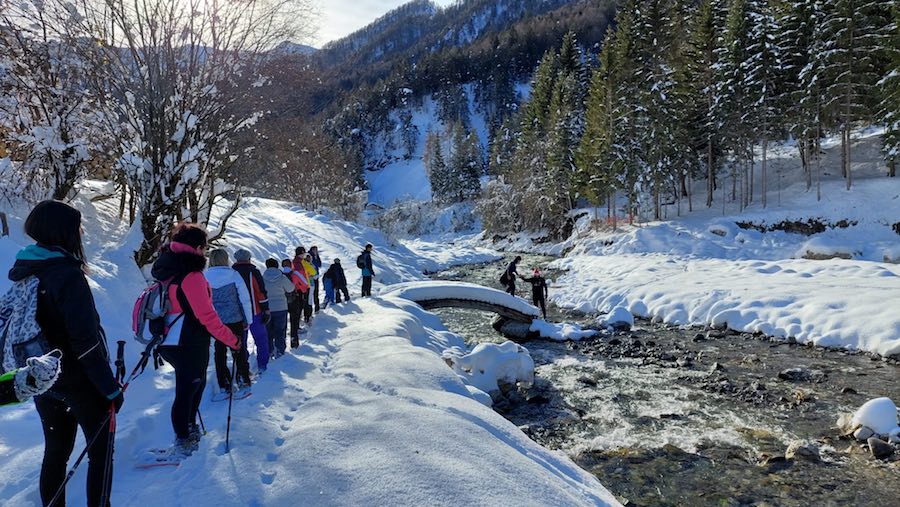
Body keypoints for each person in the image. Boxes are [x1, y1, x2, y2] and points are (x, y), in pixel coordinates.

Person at [10, 200, 123, 506]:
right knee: (100, 455)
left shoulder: (26, 268)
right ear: (66, 232)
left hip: (44, 379)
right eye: (78, 227)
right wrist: (110, 389)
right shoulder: (67, 274)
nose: (82, 233)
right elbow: (85, 341)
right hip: (80, 382)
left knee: (56, 454)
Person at [151, 223, 240, 458]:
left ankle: (188, 434)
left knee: (191, 387)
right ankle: (184, 441)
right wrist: (232, 340)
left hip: (168, 339)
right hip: (188, 341)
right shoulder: (191, 275)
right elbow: (206, 315)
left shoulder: (168, 268)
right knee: (187, 391)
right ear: (198, 247)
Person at [205, 249, 253, 398]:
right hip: (235, 319)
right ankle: (243, 378)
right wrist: (248, 319)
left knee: (219, 352)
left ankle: (224, 383)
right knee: (238, 349)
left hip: (215, 322)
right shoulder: (233, 275)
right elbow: (244, 298)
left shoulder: (204, 277)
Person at [232, 249, 271, 373]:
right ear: (249, 258)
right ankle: (263, 365)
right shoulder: (253, 272)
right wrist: (266, 309)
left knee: (241, 341)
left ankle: (243, 368)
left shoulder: (232, 273)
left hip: (237, 314)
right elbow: (260, 292)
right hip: (255, 311)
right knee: (261, 338)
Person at [262, 258, 295, 358]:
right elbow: (290, 288)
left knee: (268, 331)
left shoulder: (262, 278)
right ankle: (280, 350)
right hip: (281, 307)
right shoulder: (282, 277)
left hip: (267, 308)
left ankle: (269, 350)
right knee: (280, 330)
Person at [281, 259, 306, 348]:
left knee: (282, 323)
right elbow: (305, 284)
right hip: (294, 299)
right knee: (294, 321)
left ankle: (282, 343)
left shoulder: (280, 275)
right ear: (291, 265)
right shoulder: (295, 274)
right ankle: (294, 340)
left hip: (282, 300)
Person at [309, 246, 322, 312]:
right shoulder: (309, 255)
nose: (316, 251)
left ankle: (317, 307)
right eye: (314, 250)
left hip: (316, 276)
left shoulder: (316, 256)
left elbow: (319, 264)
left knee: (316, 292)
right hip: (310, 277)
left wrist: (317, 257)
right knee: (310, 293)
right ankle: (310, 309)